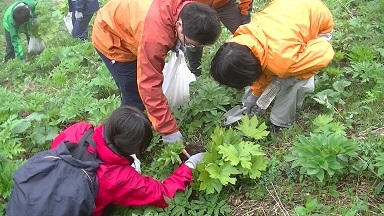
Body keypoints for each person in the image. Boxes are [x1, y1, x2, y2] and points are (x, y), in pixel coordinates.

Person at [91, 0, 221, 144]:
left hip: (131, 21)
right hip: (112, 36)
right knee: (134, 97)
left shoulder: (186, 8)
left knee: (142, 87)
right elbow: (149, 84)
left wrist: (177, 40)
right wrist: (169, 130)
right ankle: (114, 141)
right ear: (179, 25)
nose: (189, 46)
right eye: (189, 43)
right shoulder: (155, 37)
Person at [50, 105, 205, 216]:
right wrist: (190, 166)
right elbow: (162, 194)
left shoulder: (79, 129)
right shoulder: (117, 177)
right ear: (134, 150)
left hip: (38, 192)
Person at [210, 0, 334, 134]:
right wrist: (255, 94)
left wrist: (296, 74)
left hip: (317, 18)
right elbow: (260, 62)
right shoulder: (241, 40)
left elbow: (325, 52)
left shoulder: (284, 61)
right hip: (289, 9)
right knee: (275, 69)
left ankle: (280, 123)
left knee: (288, 80)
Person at [188, 0, 253, 77]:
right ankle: (195, 71)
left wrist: (245, 15)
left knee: (245, 34)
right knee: (194, 37)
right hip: (197, 6)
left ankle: (249, 66)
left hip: (225, 4)